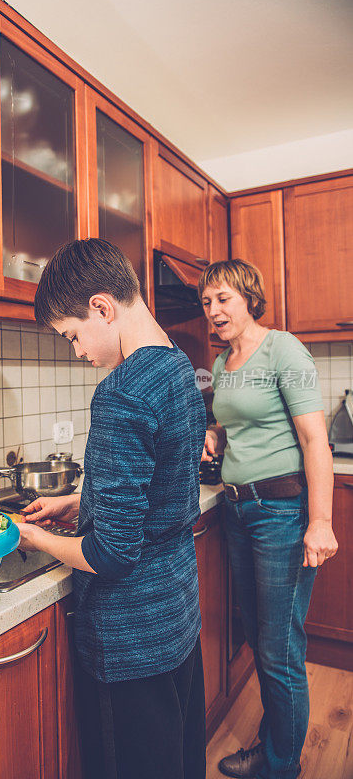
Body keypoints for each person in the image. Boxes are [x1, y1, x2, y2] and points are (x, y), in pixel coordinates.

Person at [16, 238, 207, 779]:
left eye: (72, 335)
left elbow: (111, 554)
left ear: (102, 307)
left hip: (130, 637)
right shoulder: (177, 368)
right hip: (175, 615)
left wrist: (30, 539)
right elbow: (163, 487)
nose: (77, 350)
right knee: (177, 760)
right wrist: (81, 499)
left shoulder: (121, 392)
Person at [198, 259, 338, 779]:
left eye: (224, 299)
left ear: (249, 297)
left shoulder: (285, 348)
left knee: (279, 647)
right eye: (207, 302)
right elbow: (232, 419)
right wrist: (215, 433)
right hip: (239, 509)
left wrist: (320, 522)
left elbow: (313, 441)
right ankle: (275, 741)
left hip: (281, 510)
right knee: (260, 636)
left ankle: (281, 765)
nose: (214, 311)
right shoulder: (222, 362)